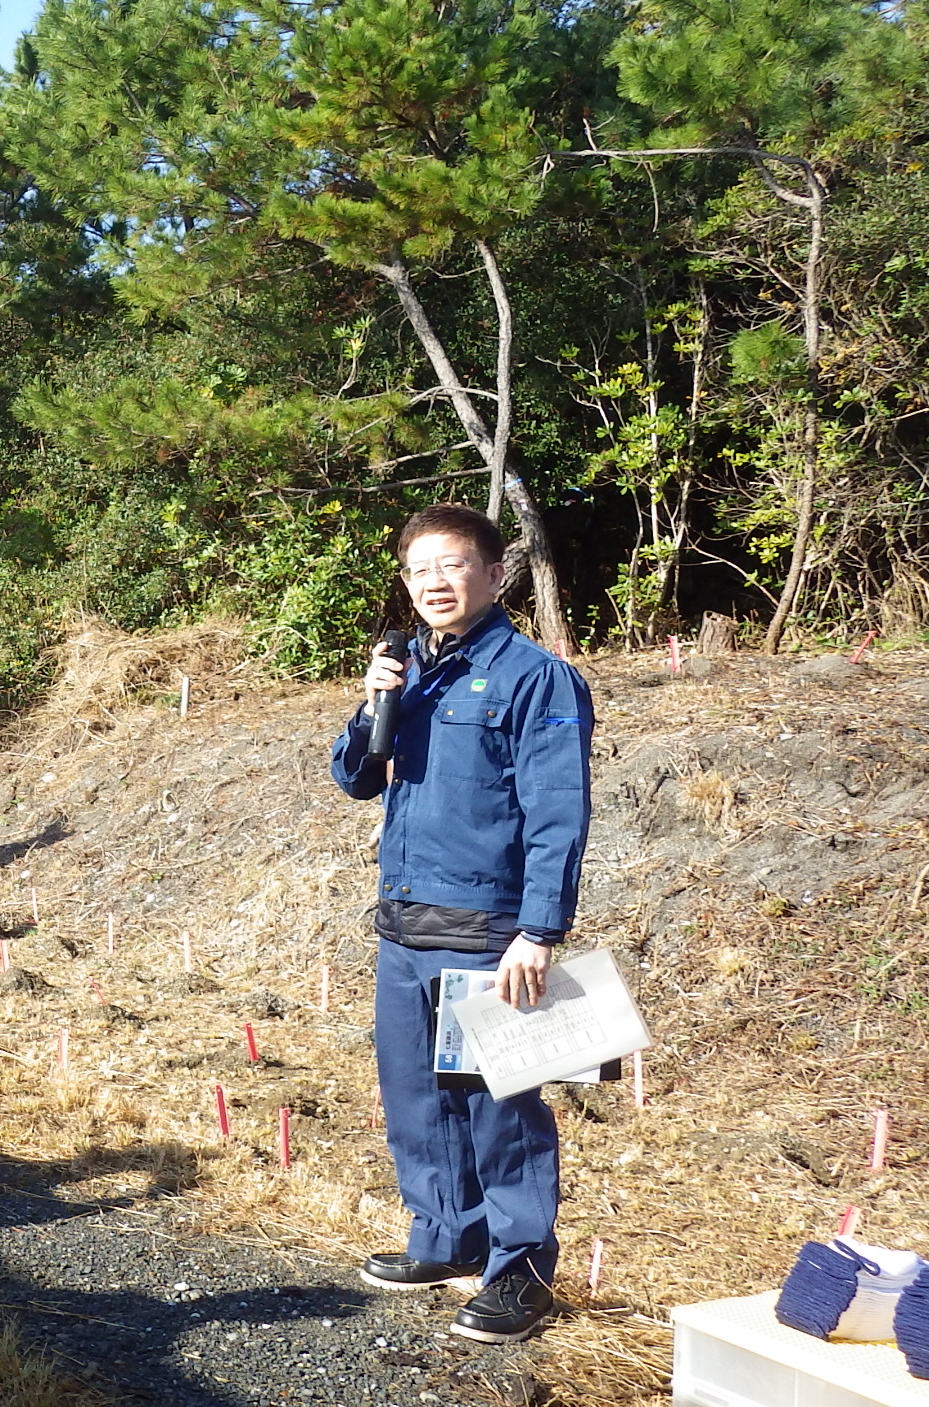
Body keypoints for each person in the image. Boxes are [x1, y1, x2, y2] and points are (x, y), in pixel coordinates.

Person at [330, 502, 593, 1346]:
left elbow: (558, 814)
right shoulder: (410, 668)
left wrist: (540, 931)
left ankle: (518, 1271)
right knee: (417, 1099)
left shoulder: (533, 676)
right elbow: (356, 780)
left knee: (499, 1104)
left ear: (492, 570)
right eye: (418, 570)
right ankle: (444, 1237)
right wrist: (373, 705)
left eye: (451, 565)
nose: (434, 582)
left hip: (488, 928)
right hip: (404, 922)